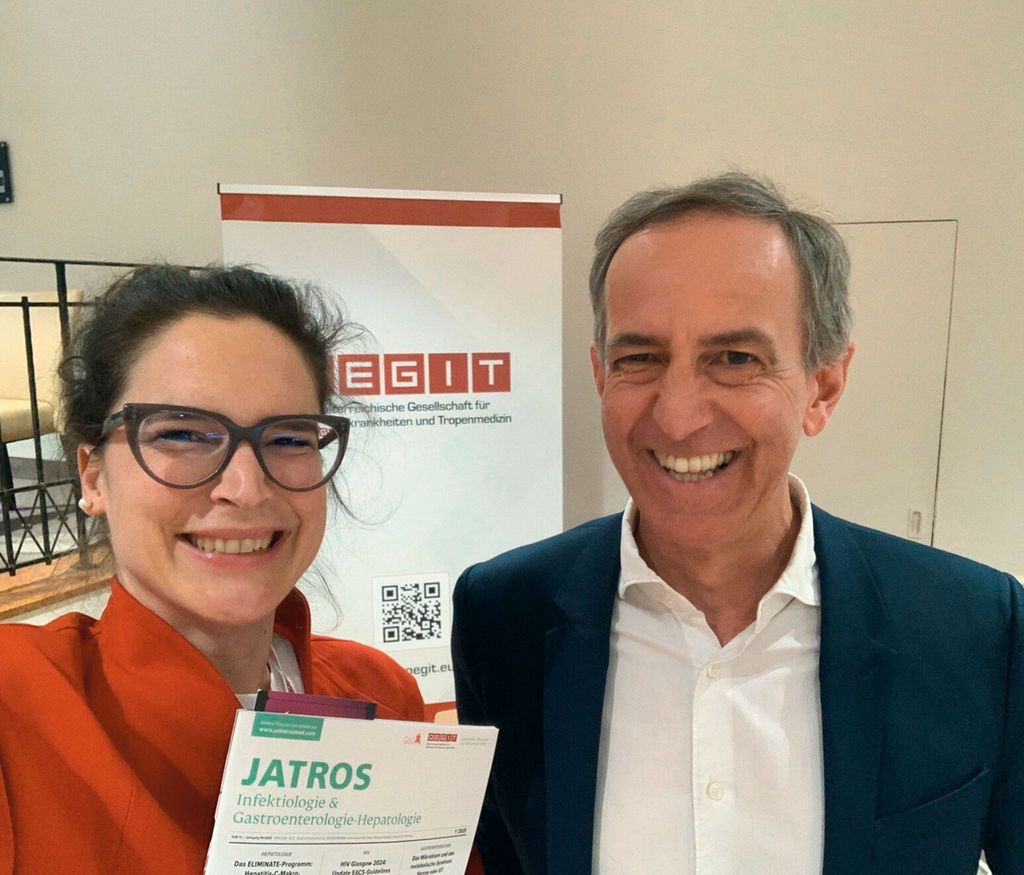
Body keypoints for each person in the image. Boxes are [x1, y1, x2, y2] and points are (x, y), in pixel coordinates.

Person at [452, 173, 1023, 874]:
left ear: (823, 386)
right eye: (640, 358)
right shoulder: (502, 617)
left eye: (734, 359)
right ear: (601, 375)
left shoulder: (975, 628)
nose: (677, 416)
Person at [0, 265, 425, 873]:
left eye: (289, 439)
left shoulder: (382, 694)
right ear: (93, 477)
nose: (245, 489)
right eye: (182, 433)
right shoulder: (18, 704)